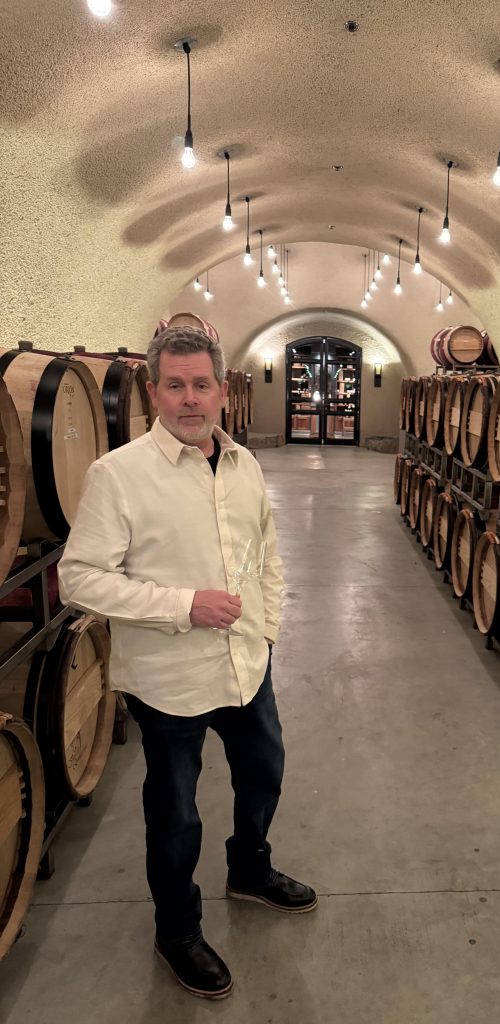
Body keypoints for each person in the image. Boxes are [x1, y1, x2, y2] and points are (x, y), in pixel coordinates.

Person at [58, 326, 315, 1001]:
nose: (189, 399)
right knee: (174, 814)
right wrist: (184, 605)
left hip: (245, 662)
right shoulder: (117, 475)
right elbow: (79, 579)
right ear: (153, 391)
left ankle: (250, 870)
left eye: (202, 384)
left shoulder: (244, 464)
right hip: (169, 678)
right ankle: (177, 930)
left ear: (222, 390)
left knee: (264, 772)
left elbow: (267, 552)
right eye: (175, 384)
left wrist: (269, 630)